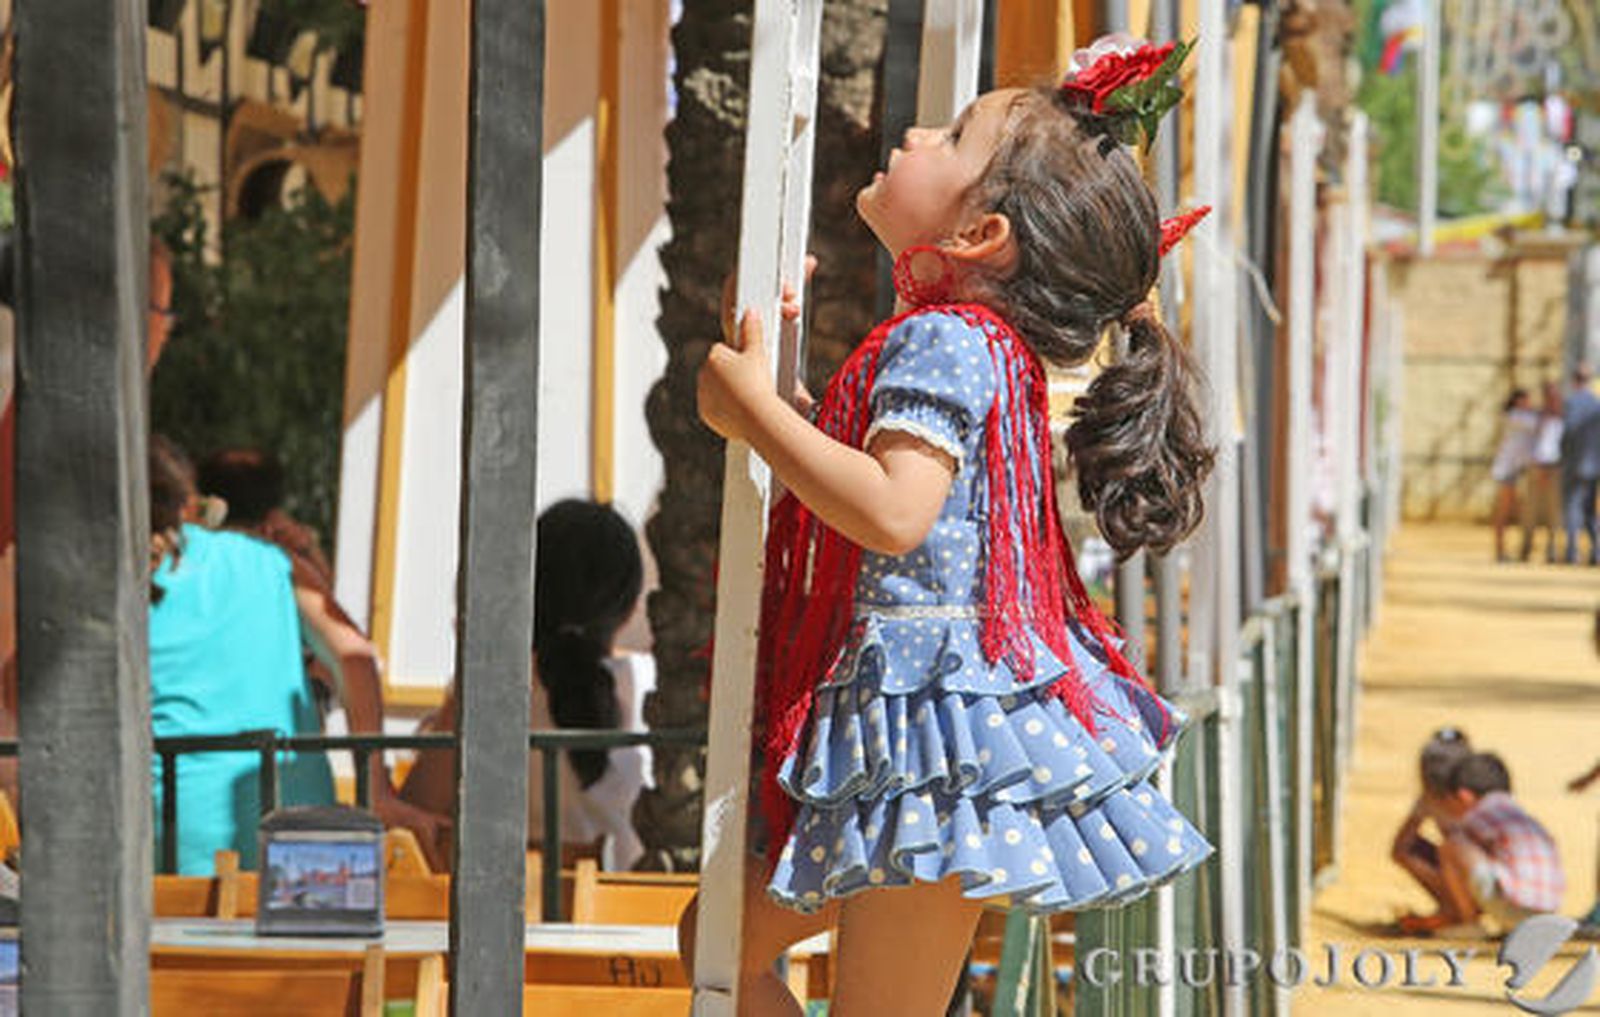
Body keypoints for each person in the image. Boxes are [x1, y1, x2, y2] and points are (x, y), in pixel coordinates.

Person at [681, 37, 1214, 1014]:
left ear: (981, 235)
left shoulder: (941, 338)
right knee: (724, 939)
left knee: (724, 942)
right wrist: (775, 391)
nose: (919, 131)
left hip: (923, 741)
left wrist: (750, 415)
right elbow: (885, 499)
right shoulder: (974, 344)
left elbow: (890, 510)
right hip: (937, 738)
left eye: (954, 134)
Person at [196, 447, 447, 863]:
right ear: (273, 510)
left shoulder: (167, 569)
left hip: (181, 825)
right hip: (293, 827)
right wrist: (375, 789)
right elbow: (349, 654)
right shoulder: (280, 569)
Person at [399, 500, 654, 871]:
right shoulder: (653, 687)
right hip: (631, 920)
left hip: (499, 921)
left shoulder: (484, 688)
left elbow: (415, 814)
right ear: (631, 606)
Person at [149, 436, 337, 873]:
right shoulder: (275, 565)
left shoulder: (132, 574)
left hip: (168, 840)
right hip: (294, 843)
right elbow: (351, 652)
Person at [1420, 752, 1564, 937]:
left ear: (1464, 796)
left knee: (1452, 845)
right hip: (1547, 913)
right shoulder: (1516, 812)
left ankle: (1469, 923)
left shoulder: (1479, 813)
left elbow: (1459, 849)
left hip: (1514, 912)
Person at [1390, 728, 1474, 934]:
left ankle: (1466, 916)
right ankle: (1453, 908)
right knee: (1412, 850)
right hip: (1456, 869)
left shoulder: (1474, 795)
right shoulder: (1429, 799)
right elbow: (1401, 845)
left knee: (1450, 849)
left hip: (1481, 875)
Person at [1489, 389, 1538, 562]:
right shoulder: (1515, 417)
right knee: (1503, 512)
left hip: (1514, 471)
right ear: (1518, 402)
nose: (1529, 404)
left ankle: (1510, 549)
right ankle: (1500, 550)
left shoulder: (1517, 417)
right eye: (1526, 400)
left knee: (1513, 512)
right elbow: (1539, 423)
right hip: (1508, 472)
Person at [1520, 380, 1564, 562]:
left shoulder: (1564, 419)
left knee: (1554, 510)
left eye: (1555, 396)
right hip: (1536, 467)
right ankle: (1526, 546)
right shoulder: (1536, 418)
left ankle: (1552, 547)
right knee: (1531, 509)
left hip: (1555, 468)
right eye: (1549, 396)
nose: (1552, 400)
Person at [1561, 364, 1600, 565]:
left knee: (1573, 506)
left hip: (1575, 463)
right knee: (1591, 509)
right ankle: (1596, 551)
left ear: (1574, 381)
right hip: (1595, 464)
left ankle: (1572, 551)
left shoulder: (1571, 402)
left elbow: (1569, 432)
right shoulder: (1596, 403)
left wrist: (1564, 456)